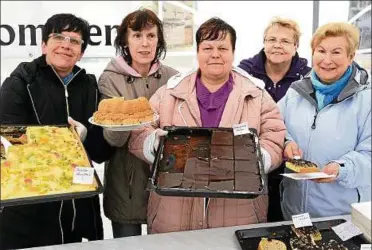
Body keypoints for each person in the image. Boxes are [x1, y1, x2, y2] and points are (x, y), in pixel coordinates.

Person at [129, 17, 286, 234]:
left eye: (223, 47)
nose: (215, 54)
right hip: (173, 214)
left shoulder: (256, 95)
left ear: (233, 52)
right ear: (198, 52)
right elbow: (140, 130)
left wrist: (255, 159)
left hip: (238, 214)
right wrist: (155, 143)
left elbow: (275, 136)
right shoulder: (170, 92)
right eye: (207, 47)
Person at [0, 13, 113, 249]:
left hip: (79, 211)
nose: (66, 45)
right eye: (58, 37)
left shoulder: (90, 86)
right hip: (30, 212)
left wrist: (85, 137)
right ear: (43, 44)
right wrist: (62, 143)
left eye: (74, 41)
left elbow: (101, 152)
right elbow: (7, 145)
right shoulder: (20, 83)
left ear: (81, 52)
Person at [98, 8, 178, 238]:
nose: (145, 43)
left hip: (164, 182)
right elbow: (114, 139)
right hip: (125, 184)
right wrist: (119, 123)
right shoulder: (110, 78)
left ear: (159, 40)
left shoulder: (173, 78)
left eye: (151, 36)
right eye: (137, 35)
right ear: (125, 40)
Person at [278, 22, 371, 219]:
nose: (327, 60)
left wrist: (342, 169)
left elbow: (369, 155)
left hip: (342, 216)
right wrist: (286, 142)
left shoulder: (366, 99)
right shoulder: (295, 92)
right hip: (295, 213)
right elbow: (274, 127)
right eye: (321, 51)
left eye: (336, 52)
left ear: (351, 56)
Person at [238, 17, 311, 222]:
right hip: (255, 156)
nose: (277, 45)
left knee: (285, 219)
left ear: (296, 47)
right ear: (264, 43)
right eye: (271, 40)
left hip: (292, 157)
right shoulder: (245, 73)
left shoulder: (307, 78)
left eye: (285, 41)